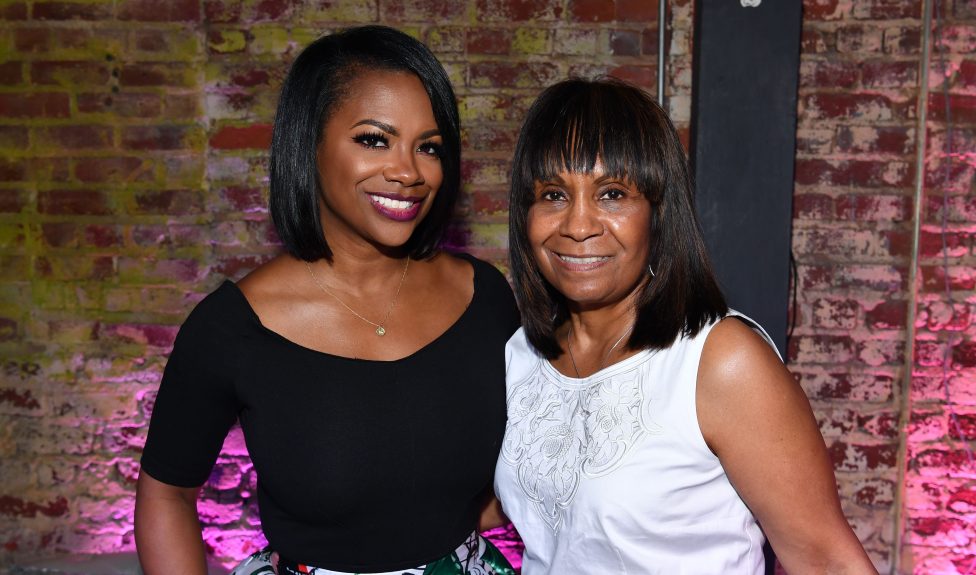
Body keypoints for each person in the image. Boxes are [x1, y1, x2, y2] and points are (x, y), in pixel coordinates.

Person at [134, 26, 519, 575]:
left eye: (428, 147)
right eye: (373, 139)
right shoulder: (231, 329)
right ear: (309, 142)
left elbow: (508, 476)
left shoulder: (485, 298)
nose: (408, 171)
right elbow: (166, 495)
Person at [493, 78, 878, 574]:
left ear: (658, 213)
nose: (578, 224)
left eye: (611, 194)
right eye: (552, 194)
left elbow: (827, 561)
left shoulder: (719, 360)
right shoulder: (521, 356)